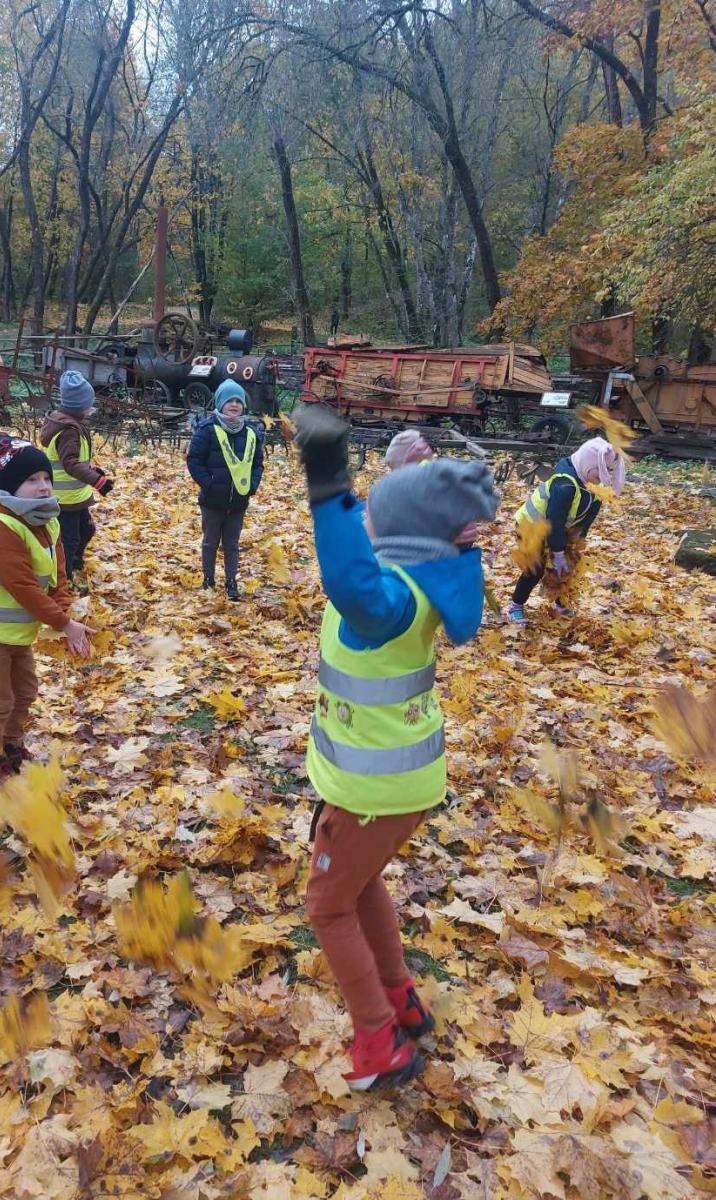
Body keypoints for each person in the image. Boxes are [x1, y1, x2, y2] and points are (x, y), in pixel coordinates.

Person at [294, 404, 499, 1092]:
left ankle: (379, 1039)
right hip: (397, 784)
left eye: (374, 517)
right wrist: (379, 489)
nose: (363, 523)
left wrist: (327, 485)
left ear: (401, 537)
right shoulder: (427, 575)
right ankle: (400, 996)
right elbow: (373, 535)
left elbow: (350, 573)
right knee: (361, 886)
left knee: (328, 906)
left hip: (371, 790)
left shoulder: (385, 604)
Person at [0, 435, 90, 789]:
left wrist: (64, 614)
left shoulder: (46, 519)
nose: (43, 486)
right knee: (0, 701)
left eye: (46, 478)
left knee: (26, 691)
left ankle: (10, 747)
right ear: (10, 485)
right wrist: (64, 623)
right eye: (31, 480)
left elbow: (57, 574)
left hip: (15, 630)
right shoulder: (0, 525)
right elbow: (22, 585)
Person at [508, 435, 626, 625]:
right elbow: (554, 521)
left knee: (566, 567)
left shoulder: (595, 485)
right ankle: (516, 605)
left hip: (559, 528)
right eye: (599, 470)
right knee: (536, 568)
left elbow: (587, 518)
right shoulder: (564, 485)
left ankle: (560, 603)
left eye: (608, 471)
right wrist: (557, 552)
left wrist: (573, 546)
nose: (604, 476)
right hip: (531, 526)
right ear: (587, 465)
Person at [186, 379, 264, 601]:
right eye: (229, 401)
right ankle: (208, 579)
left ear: (244, 406)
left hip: (238, 501)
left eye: (238, 401)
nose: (234, 405)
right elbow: (194, 460)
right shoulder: (207, 430)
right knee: (210, 542)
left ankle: (231, 581)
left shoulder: (250, 433)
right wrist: (209, 484)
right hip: (212, 500)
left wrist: (252, 486)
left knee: (232, 545)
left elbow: (257, 463)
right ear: (220, 404)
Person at [39, 370, 114, 585]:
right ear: (78, 407)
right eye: (88, 405)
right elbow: (70, 463)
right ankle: (63, 579)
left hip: (75, 496)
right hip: (65, 499)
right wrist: (98, 481)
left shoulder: (69, 423)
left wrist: (92, 470)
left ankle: (74, 560)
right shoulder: (68, 430)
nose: (91, 409)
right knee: (68, 540)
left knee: (87, 529)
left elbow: (75, 459)